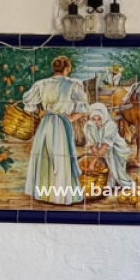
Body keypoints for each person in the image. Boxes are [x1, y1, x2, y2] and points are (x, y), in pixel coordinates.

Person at [20, 56, 87, 205]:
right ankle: (60, 196)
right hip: (62, 125)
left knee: (45, 155)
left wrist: (40, 112)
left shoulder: (41, 84)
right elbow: (82, 108)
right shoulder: (73, 84)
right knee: (60, 157)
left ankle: (43, 193)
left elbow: (28, 104)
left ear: (54, 68)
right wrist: (71, 117)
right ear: (67, 68)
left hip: (46, 123)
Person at [79, 103, 136, 194]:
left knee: (113, 161)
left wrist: (92, 164)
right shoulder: (89, 126)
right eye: (93, 119)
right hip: (101, 148)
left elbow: (104, 147)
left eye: (99, 119)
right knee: (101, 163)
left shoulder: (110, 125)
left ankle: (117, 182)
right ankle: (107, 181)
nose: (96, 122)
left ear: (104, 117)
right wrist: (94, 155)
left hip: (116, 148)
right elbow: (93, 146)